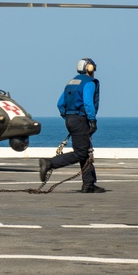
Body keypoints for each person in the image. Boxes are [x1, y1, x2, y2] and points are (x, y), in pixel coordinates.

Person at [39, 58, 106, 193]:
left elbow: (60, 103)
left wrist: (68, 116)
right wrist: (92, 120)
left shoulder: (71, 83)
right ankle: (50, 163)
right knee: (81, 152)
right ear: (89, 68)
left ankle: (88, 184)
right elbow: (88, 103)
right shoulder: (89, 83)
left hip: (70, 119)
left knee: (85, 150)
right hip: (81, 119)